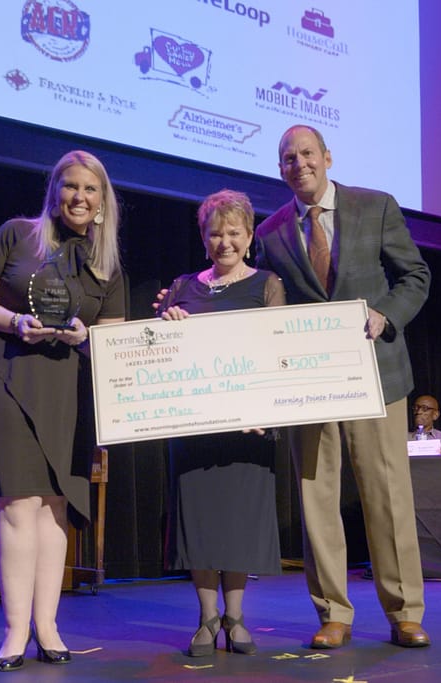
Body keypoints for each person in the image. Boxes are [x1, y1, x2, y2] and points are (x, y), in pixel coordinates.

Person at [254, 124, 432, 649]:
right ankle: (333, 612)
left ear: (327, 157)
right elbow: (268, 307)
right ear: (280, 167)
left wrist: (385, 316)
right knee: (316, 497)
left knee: (388, 497)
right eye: (288, 158)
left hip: (378, 376)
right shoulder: (270, 233)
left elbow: (415, 276)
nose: (299, 163)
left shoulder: (375, 206)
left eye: (307, 153)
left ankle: (404, 612)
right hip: (310, 384)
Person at [0, 150, 126, 672]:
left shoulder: (107, 263)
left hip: (68, 387)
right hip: (4, 375)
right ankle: (13, 632)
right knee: (17, 503)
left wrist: (85, 337)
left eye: (89, 189)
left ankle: (48, 627)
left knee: (56, 505)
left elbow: (113, 339)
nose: (79, 196)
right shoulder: (16, 235)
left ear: (102, 202)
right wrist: (14, 322)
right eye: (69, 186)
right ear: (54, 192)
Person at [158, 189, 286, 657]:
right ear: (204, 237)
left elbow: (277, 355)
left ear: (250, 236)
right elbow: (160, 356)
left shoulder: (267, 285)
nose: (225, 241)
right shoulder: (180, 288)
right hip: (193, 429)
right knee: (201, 523)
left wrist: (265, 409)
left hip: (247, 430)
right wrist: (165, 324)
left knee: (238, 523)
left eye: (234, 232)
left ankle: (236, 617)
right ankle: (206, 617)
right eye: (216, 233)